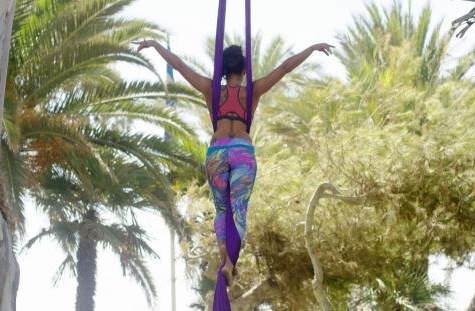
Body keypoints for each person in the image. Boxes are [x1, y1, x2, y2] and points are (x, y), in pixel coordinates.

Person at [134, 39, 334, 286]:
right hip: (241, 151)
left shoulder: (210, 89)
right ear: (244, 70)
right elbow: (284, 68)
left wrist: (155, 46)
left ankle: (223, 252)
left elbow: (180, 66)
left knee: (221, 209)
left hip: (217, 153)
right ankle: (229, 264)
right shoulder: (252, 90)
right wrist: (311, 48)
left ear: (222, 70)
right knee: (238, 208)